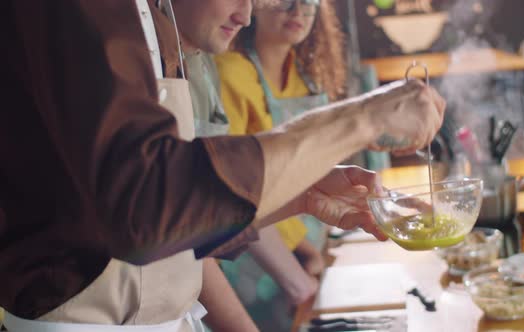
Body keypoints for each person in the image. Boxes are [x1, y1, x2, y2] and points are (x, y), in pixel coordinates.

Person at [0, 1, 446, 332]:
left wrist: (300, 197)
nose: (248, 15)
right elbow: (147, 208)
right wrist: (361, 117)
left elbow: (171, 227)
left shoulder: (164, 32)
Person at [214, 0, 347, 329]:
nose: (298, 12)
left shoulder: (308, 78)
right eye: (286, 2)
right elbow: (237, 188)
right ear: (256, 7)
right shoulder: (231, 72)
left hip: (312, 248)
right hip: (255, 260)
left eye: (309, 3)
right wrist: (303, 250)